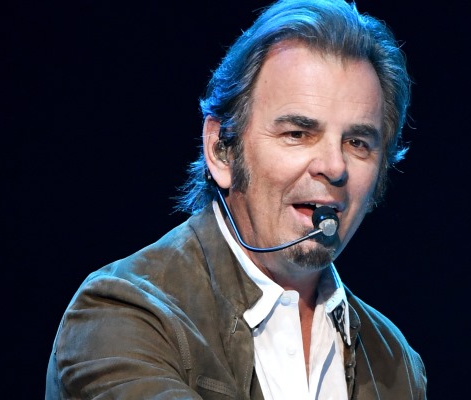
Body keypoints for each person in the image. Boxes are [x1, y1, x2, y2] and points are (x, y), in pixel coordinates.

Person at [45, 0, 427, 398]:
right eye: (297, 134)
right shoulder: (123, 315)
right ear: (221, 151)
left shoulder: (396, 363)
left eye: (358, 143)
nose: (334, 166)